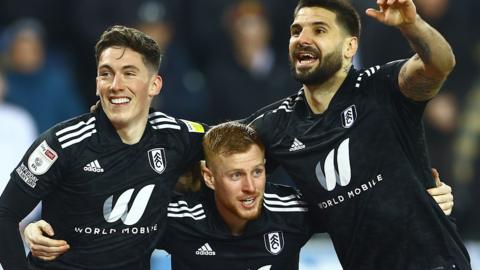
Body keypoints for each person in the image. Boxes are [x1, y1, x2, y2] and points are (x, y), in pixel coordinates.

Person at [24, 122, 454, 270]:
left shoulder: (293, 209)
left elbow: (368, 209)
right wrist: (39, 230)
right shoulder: (175, 215)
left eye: (258, 172)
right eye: (235, 176)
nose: (251, 188)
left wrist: (427, 201)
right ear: (209, 177)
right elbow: (103, 228)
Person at [243, 0, 470, 269]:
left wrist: (412, 25)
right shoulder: (280, 123)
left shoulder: (382, 88)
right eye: (296, 31)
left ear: (350, 47)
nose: (302, 39)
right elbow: (218, 149)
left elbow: (441, 64)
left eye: (319, 30)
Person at [0, 25, 206, 270]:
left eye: (129, 73)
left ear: (154, 85)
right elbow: (5, 214)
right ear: (97, 83)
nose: (115, 85)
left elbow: (241, 138)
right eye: (106, 74)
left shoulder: (175, 135)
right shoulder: (62, 143)